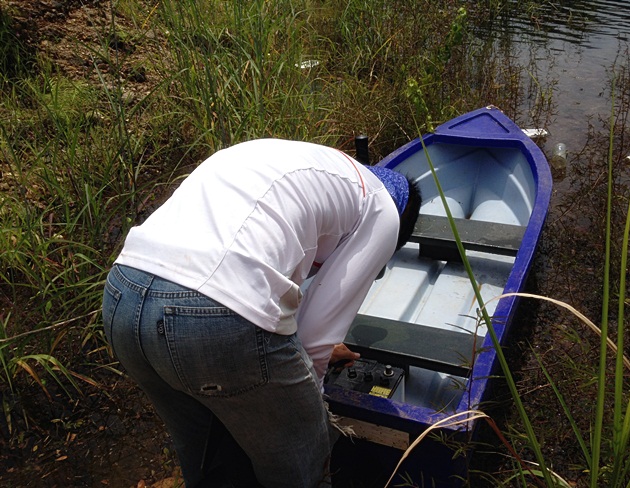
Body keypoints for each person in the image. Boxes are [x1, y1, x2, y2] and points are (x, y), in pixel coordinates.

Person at [102, 138, 421, 488]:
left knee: (209, 459)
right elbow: (314, 343)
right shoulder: (384, 210)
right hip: (214, 317)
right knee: (304, 465)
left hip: (123, 296)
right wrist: (305, 403)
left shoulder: (306, 164)